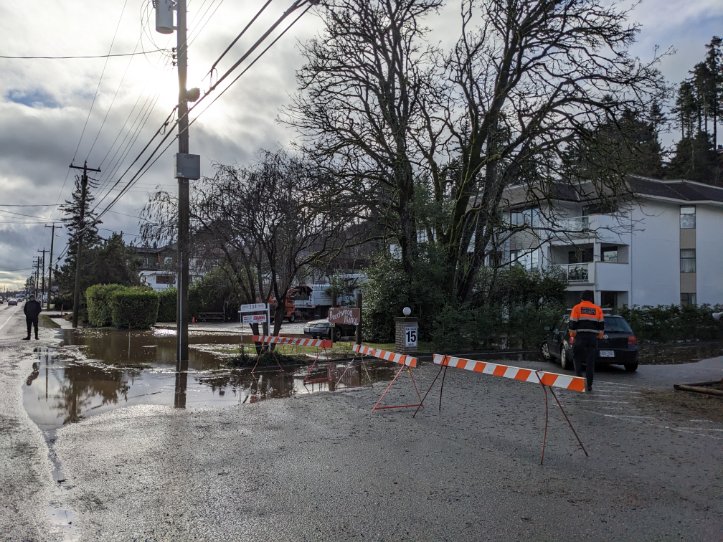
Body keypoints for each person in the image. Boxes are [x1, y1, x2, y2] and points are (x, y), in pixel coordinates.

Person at [568, 290, 604, 392]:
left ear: (582, 298)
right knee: (590, 362)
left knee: (577, 358)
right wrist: (599, 336)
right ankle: (589, 385)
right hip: (592, 338)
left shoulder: (577, 308)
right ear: (592, 299)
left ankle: (580, 382)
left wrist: (573, 335)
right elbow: (601, 326)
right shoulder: (598, 309)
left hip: (580, 337)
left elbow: (572, 324)